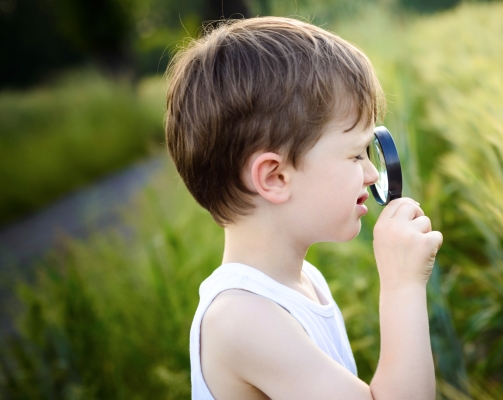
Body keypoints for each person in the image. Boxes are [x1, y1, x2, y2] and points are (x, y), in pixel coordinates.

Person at [164, 16, 443, 399]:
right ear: (275, 177)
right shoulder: (242, 320)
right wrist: (402, 286)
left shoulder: (303, 281)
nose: (368, 173)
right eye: (354, 155)